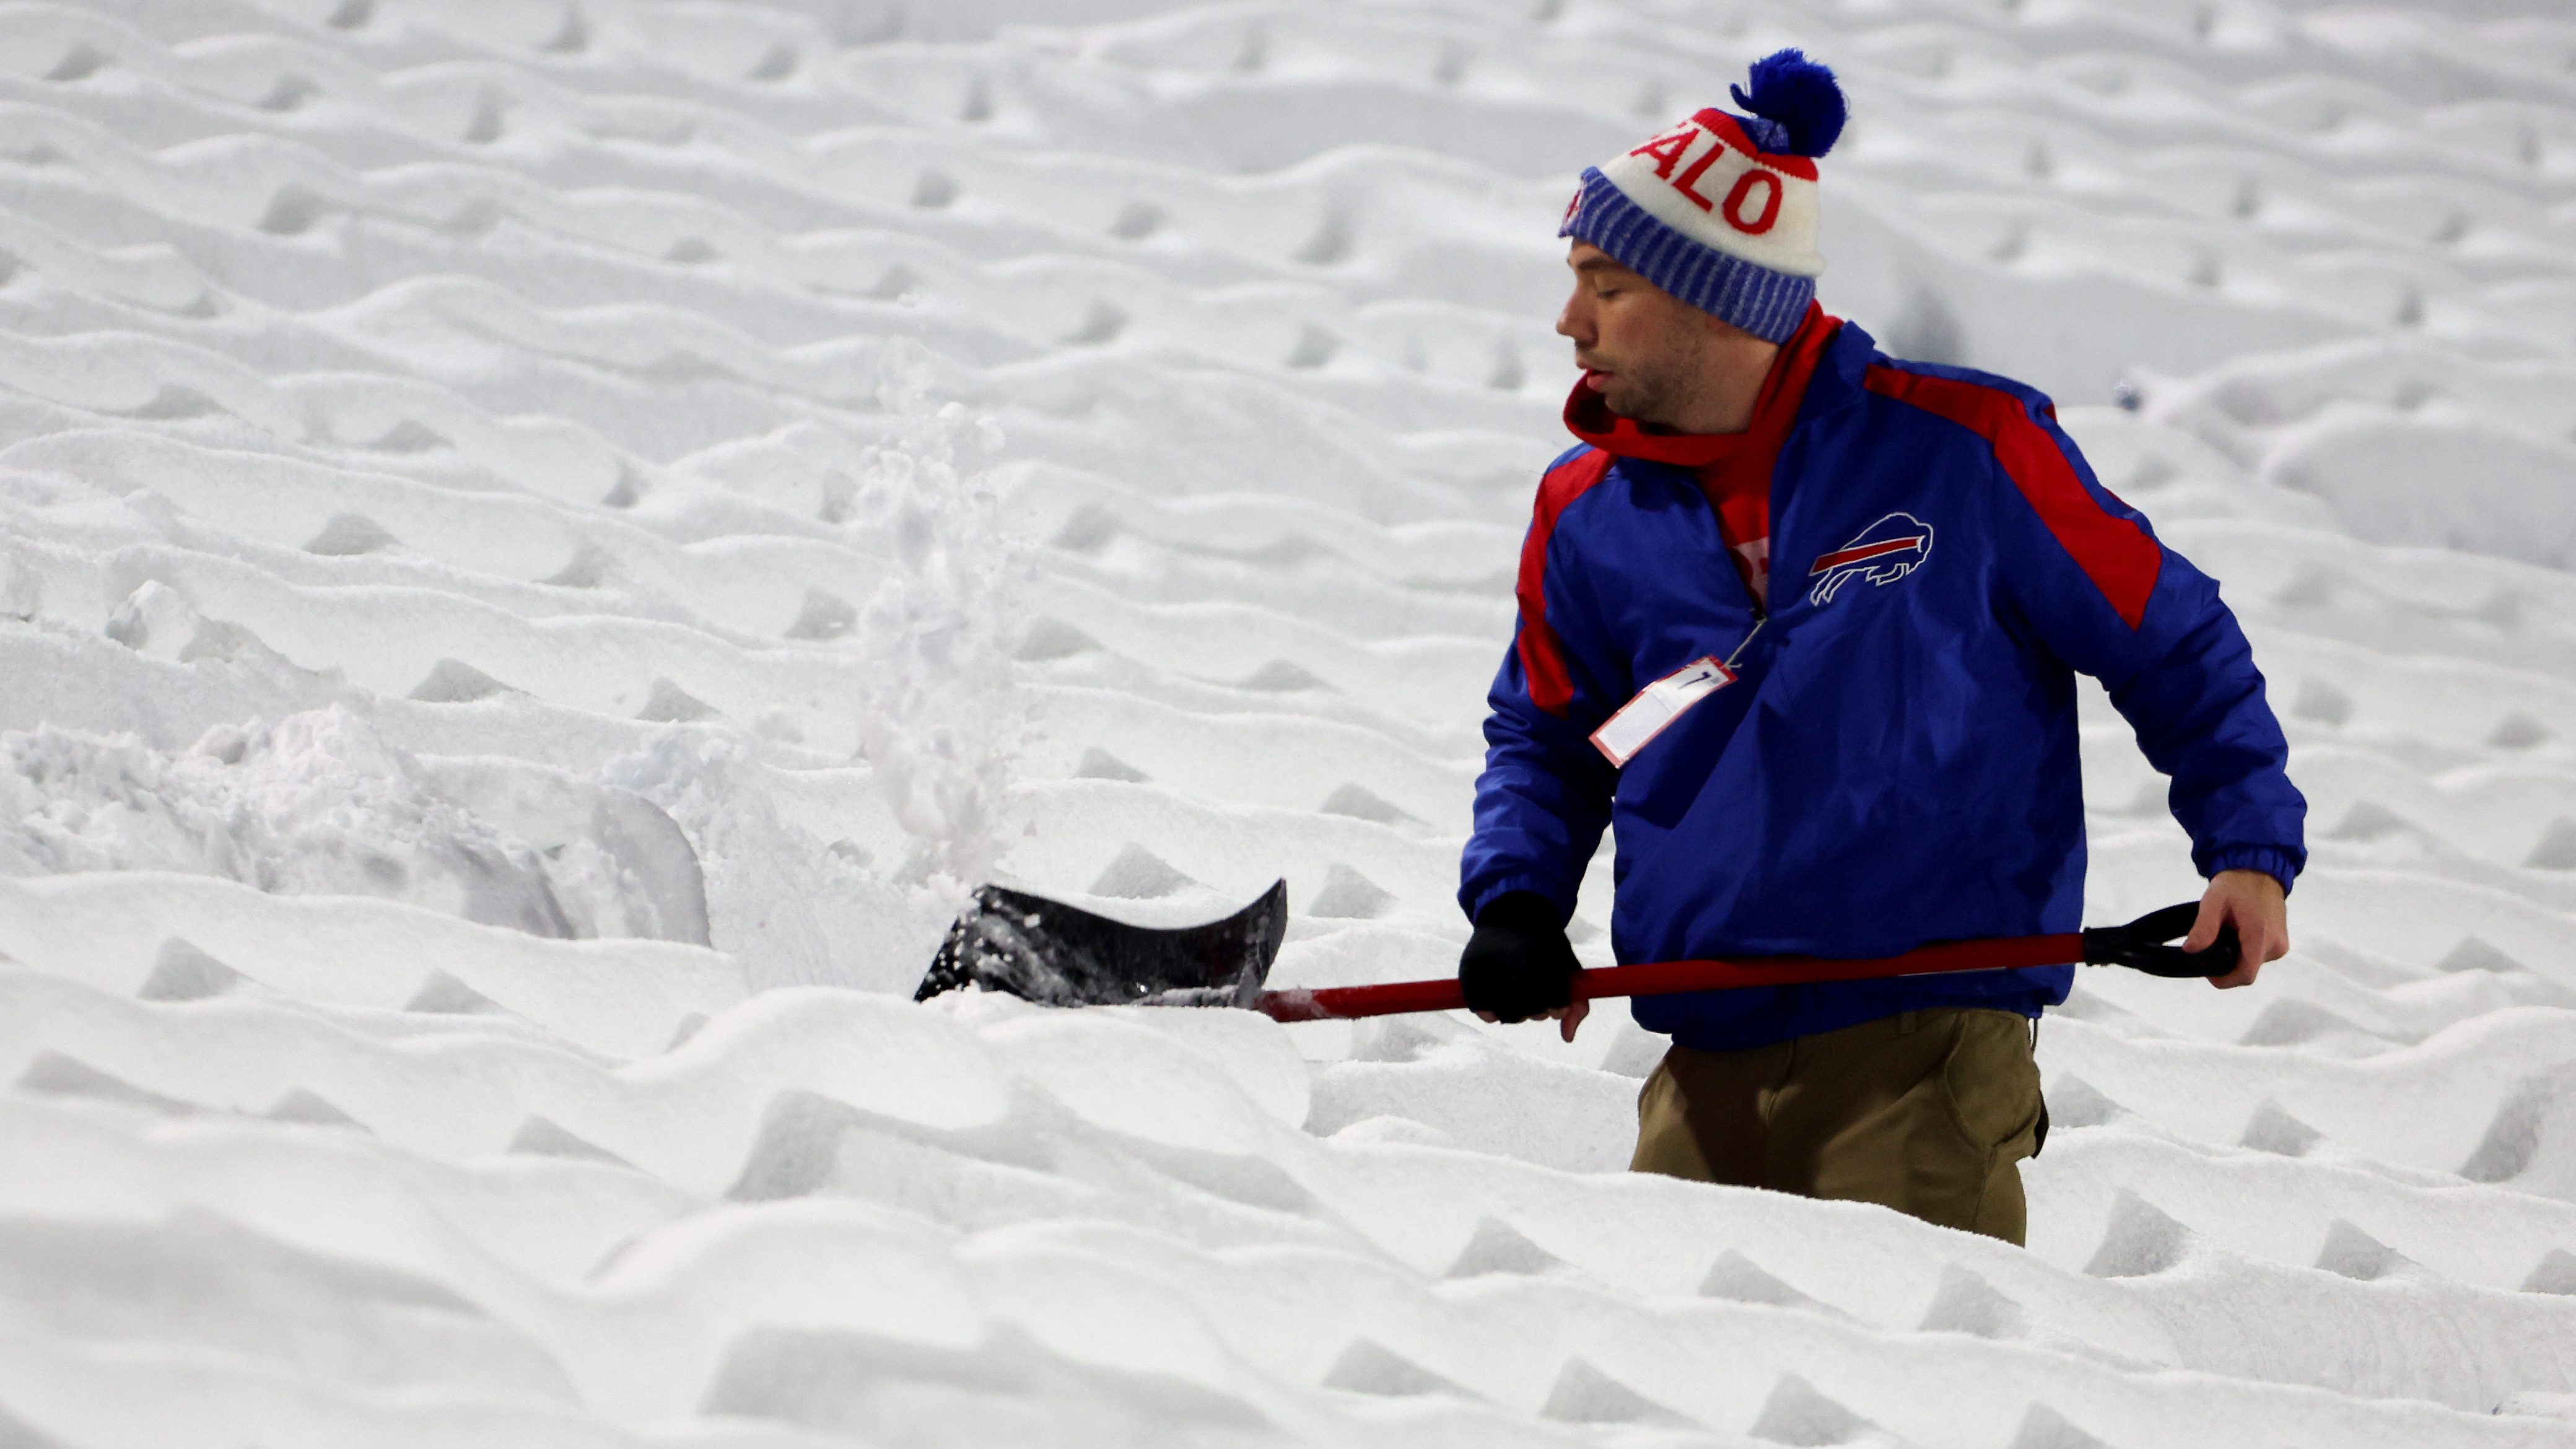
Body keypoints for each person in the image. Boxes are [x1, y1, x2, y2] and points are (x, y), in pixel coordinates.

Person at [1454, 50, 2305, 1245]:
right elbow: (1552, 737)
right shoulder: (1587, 510)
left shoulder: (1967, 451)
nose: (1567, 319)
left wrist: (2249, 847)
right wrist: (1519, 900)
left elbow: (2172, 638)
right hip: (1704, 1049)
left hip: (1926, 1044)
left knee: (1905, 1389)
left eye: (1607, 282)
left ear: (1718, 297)